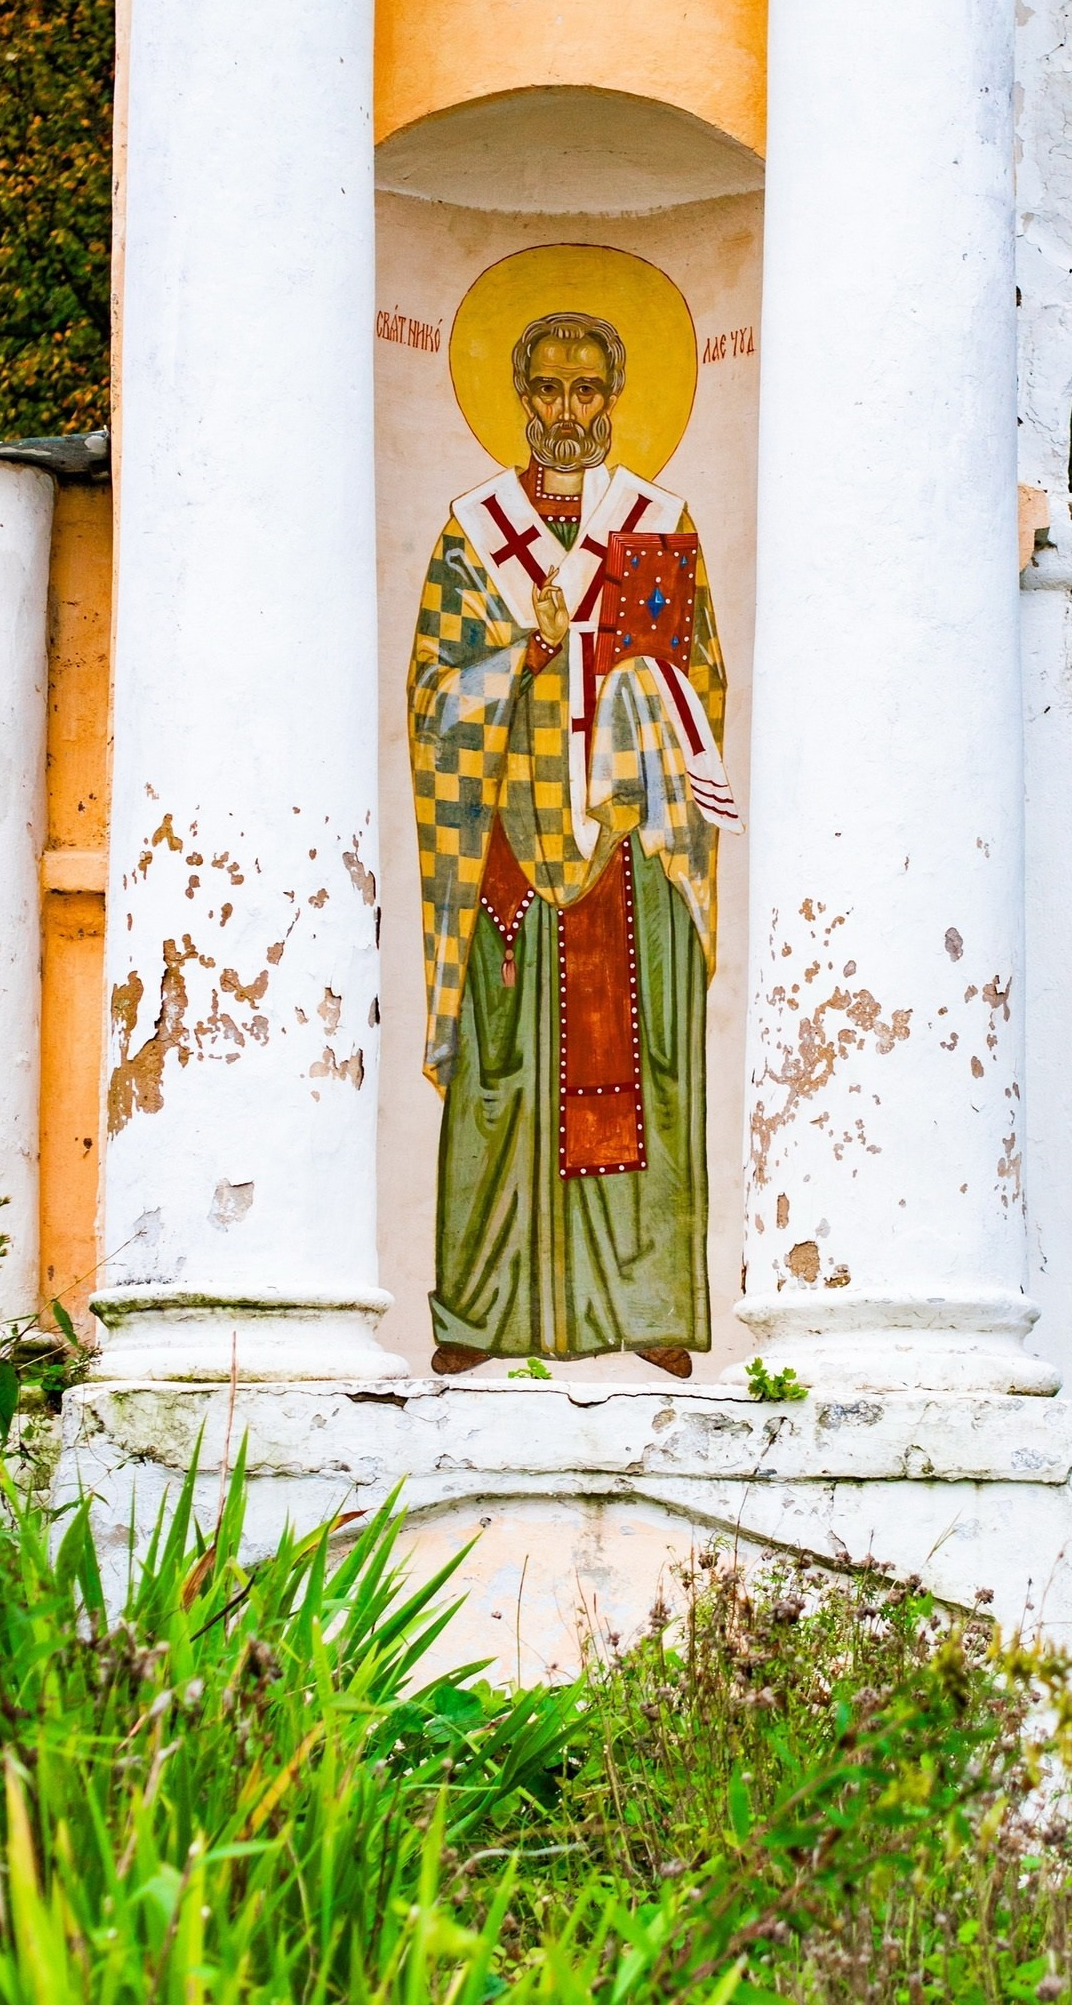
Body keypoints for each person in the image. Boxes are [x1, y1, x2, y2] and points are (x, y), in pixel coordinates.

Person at [408, 309, 736, 1376]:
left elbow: (705, 682)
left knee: (645, 1067)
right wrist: (529, 650)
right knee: (502, 1077)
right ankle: (482, 1311)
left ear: (614, 398)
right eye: (546, 390)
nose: (566, 413)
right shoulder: (472, 535)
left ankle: (645, 1306)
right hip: (512, 844)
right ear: (519, 398)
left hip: (629, 847)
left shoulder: (660, 523)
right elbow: (434, 699)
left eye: (586, 391)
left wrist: (644, 709)